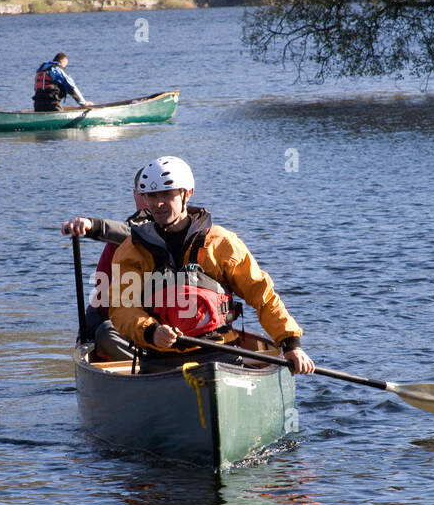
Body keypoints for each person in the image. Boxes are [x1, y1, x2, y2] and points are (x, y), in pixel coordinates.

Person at [108, 156, 316, 374]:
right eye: (152, 195)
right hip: (160, 359)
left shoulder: (221, 242)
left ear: (186, 194)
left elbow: (261, 294)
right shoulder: (131, 250)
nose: (158, 203)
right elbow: (121, 307)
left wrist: (290, 343)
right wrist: (151, 331)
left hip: (220, 354)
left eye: (167, 194)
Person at [62, 170, 151, 361]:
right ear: (135, 195)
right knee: (104, 332)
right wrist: (85, 336)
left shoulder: (185, 232)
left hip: (171, 323)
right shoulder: (120, 240)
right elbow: (101, 299)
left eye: (163, 194)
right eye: (145, 194)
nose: (154, 201)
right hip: (131, 323)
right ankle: (151, 365)